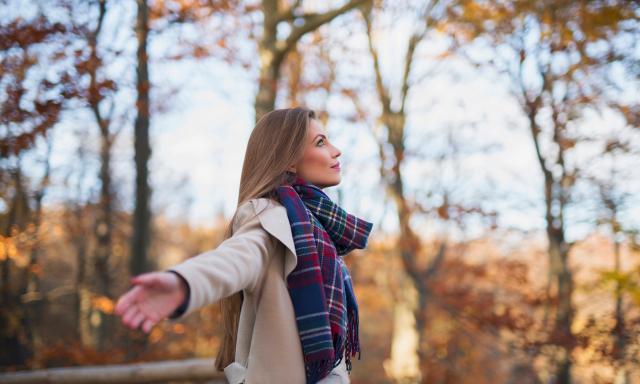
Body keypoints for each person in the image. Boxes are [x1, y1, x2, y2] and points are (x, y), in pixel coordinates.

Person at [114, 107, 373, 384]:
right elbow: (236, 259)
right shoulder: (269, 216)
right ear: (289, 161)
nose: (336, 151)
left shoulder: (316, 229)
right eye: (320, 142)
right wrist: (184, 283)